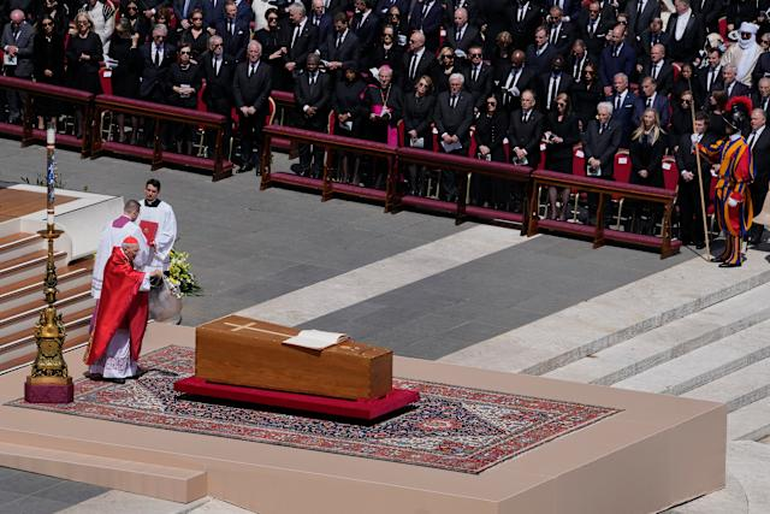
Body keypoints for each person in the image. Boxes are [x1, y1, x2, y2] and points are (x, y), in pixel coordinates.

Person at [85, 236, 162, 384]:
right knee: (118, 339)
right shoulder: (116, 260)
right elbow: (127, 277)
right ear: (126, 249)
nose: (136, 254)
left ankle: (107, 369)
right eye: (134, 251)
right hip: (115, 308)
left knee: (116, 337)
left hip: (119, 304)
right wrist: (148, 275)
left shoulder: (124, 257)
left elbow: (130, 275)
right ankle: (114, 371)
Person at [698, 97, 755, 267]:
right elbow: (713, 153)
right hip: (722, 187)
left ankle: (735, 257)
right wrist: (699, 146)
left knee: (734, 224)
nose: (725, 127)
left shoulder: (742, 147)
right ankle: (727, 252)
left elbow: (744, 174)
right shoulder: (727, 142)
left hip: (733, 190)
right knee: (724, 223)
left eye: (728, 125)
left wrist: (737, 195)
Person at [91, 199, 149, 301]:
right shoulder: (133, 229)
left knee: (104, 303)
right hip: (121, 273)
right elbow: (141, 254)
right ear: (135, 213)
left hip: (104, 271)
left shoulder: (108, 225)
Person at [676, 112, 715, 249]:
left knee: (699, 210)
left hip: (700, 180)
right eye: (695, 124)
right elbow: (679, 155)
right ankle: (685, 236)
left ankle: (699, 238)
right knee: (685, 209)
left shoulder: (710, 140)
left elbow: (707, 162)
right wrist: (683, 172)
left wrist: (693, 173)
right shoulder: (685, 137)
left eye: (700, 125)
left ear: (705, 126)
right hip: (684, 178)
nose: (697, 127)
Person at [232, 40, 272, 172]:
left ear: (260, 54)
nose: (253, 54)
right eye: (251, 51)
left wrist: (255, 107)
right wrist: (241, 106)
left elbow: (266, 91)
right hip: (243, 110)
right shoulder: (240, 67)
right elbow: (236, 87)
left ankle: (261, 163)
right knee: (245, 135)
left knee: (259, 137)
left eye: (256, 52)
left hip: (259, 110)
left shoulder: (266, 69)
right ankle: (245, 161)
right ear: (247, 53)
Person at [627, 108, 667, 233]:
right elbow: (633, 154)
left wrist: (648, 170)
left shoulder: (660, 135)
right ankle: (634, 228)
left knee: (652, 205)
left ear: (655, 119)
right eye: (646, 116)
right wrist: (640, 169)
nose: (648, 119)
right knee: (636, 202)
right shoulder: (636, 134)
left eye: (650, 117)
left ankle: (650, 229)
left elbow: (658, 157)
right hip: (637, 173)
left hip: (653, 174)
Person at [293, 53, 331, 178]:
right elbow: (297, 95)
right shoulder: (300, 76)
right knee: (303, 145)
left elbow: (326, 96)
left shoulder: (325, 78)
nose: (310, 66)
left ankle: (317, 170)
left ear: (318, 65)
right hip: (303, 116)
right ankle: (304, 167)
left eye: (313, 64)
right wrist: (305, 108)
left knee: (318, 146)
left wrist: (315, 108)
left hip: (318, 117)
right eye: (309, 64)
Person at [544, 93, 580, 220]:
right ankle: (553, 211)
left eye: (562, 104)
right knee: (551, 183)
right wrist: (548, 136)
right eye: (557, 104)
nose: (559, 107)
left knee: (565, 184)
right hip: (552, 153)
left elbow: (576, 137)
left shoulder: (572, 118)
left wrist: (563, 140)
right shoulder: (551, 115)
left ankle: (563, 212)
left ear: (567, 104)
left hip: (565, 154)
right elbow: (546, 130)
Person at [136, 179, 178, 274]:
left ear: (158, 192)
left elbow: (170, 232)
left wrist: (156, 243)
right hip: (141, 250)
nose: (150, 193)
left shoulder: (166, 209)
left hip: (156, 252)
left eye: (153, 191)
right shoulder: (138, 206)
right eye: (148, 190)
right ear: (145, 190)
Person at [2, 9, 35, 124]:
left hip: (23, 68)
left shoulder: (30, 31)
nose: (15, 25)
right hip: (10, 66)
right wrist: (7, 48)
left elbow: (31, 49)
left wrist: (16, 50)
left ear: (23, 19)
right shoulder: (7, 27)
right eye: (13, 22)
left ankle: (26, 118)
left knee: (23, 96)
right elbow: (2, 43)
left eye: (18, 23)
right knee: (10, 94)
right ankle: (13, 116)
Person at [33, 14, 65, 129]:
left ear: (53, 25)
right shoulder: (38, 38)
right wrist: (43, 70)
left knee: (54, 101)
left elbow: (60, 58)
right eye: (44, 25)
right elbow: (36, 58)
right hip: (42, 74)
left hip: (55, 74)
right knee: (41, 99)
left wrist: (53, 71)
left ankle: (53, 125)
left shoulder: (58, 38)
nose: (47, 27)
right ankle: (40, 124)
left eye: (49, 24)